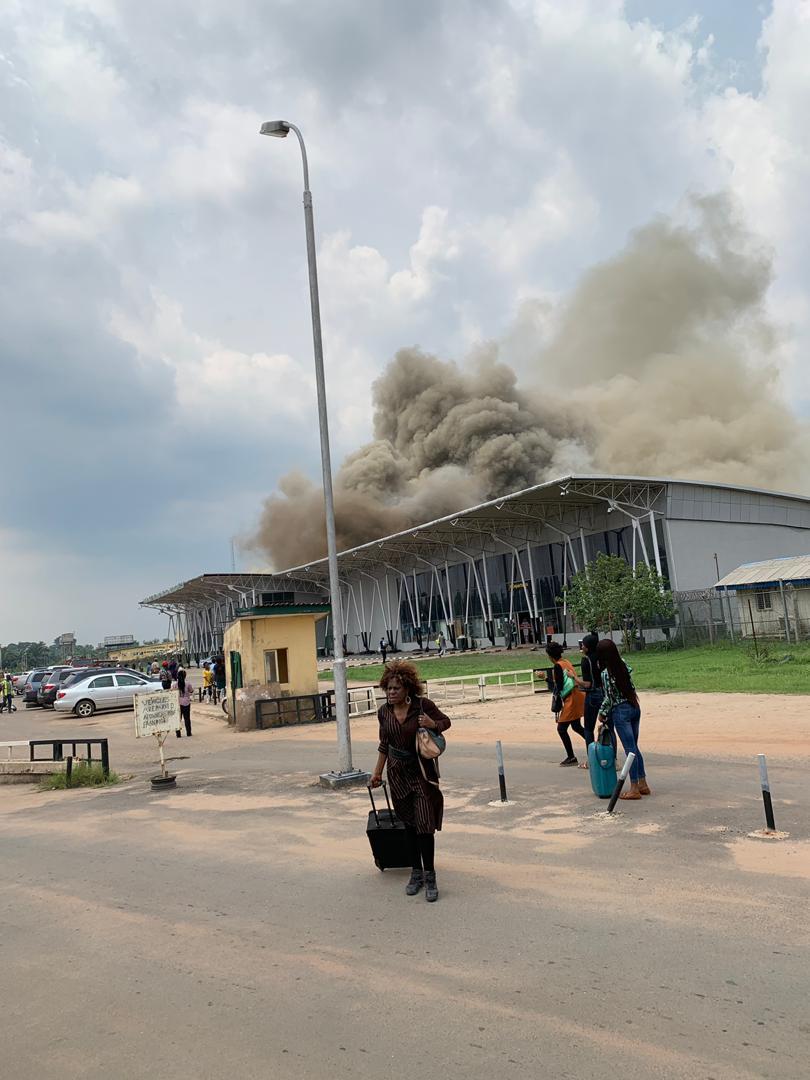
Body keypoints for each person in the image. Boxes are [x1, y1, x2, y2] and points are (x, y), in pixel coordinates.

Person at [370, 660, 451, 902]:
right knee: (409, 825)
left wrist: (432, 724)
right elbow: (384, 745)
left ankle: (431, 876)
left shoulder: (422, 706)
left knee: (425, 825)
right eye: (388, 689)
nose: (391, 693)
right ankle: (416, 873)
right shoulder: (384, 712)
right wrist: (377, 774)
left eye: (396, 688)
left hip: (421, 772)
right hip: (397, 774)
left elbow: (446, 722)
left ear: (407, 688)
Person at [596, 639, 649, 800]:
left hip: (621, 711)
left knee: (630, 750)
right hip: (634, 706)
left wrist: (602, 712)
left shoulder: (605, 674)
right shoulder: (623, 664)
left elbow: (609, 697)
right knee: (634, 748)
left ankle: (634, 788)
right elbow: (629, 674)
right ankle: (642, 783)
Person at [546, 641, 587, 766]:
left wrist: (545, 679)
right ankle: (594, 744)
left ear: (550, 656)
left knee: (561, 728)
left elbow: (558, 686)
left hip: (571, 699)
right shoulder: (566, 662)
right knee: (576, 726)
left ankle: (571, 756)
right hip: (578, 695)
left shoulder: (557, 666)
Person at [575, 634, 607, 763]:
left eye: (583, 645)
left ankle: (592, 760)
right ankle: (613, 758)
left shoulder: (586, 660)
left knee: (588, 729)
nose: (582, 647)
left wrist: (574, 677)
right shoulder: (603, 658)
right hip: (605, 694)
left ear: (587, 647)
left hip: (593, 694)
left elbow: (587, 684)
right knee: (608, 726)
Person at [173, 668, 193, 737]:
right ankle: (188, 733)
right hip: (186, 702)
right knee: (187, 718)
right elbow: (191, 691)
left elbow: (172, 693)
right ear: (185, 676)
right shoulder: (188, 683)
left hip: (178, 703)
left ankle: (178, 734)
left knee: (178, 719)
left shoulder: (174, 684)